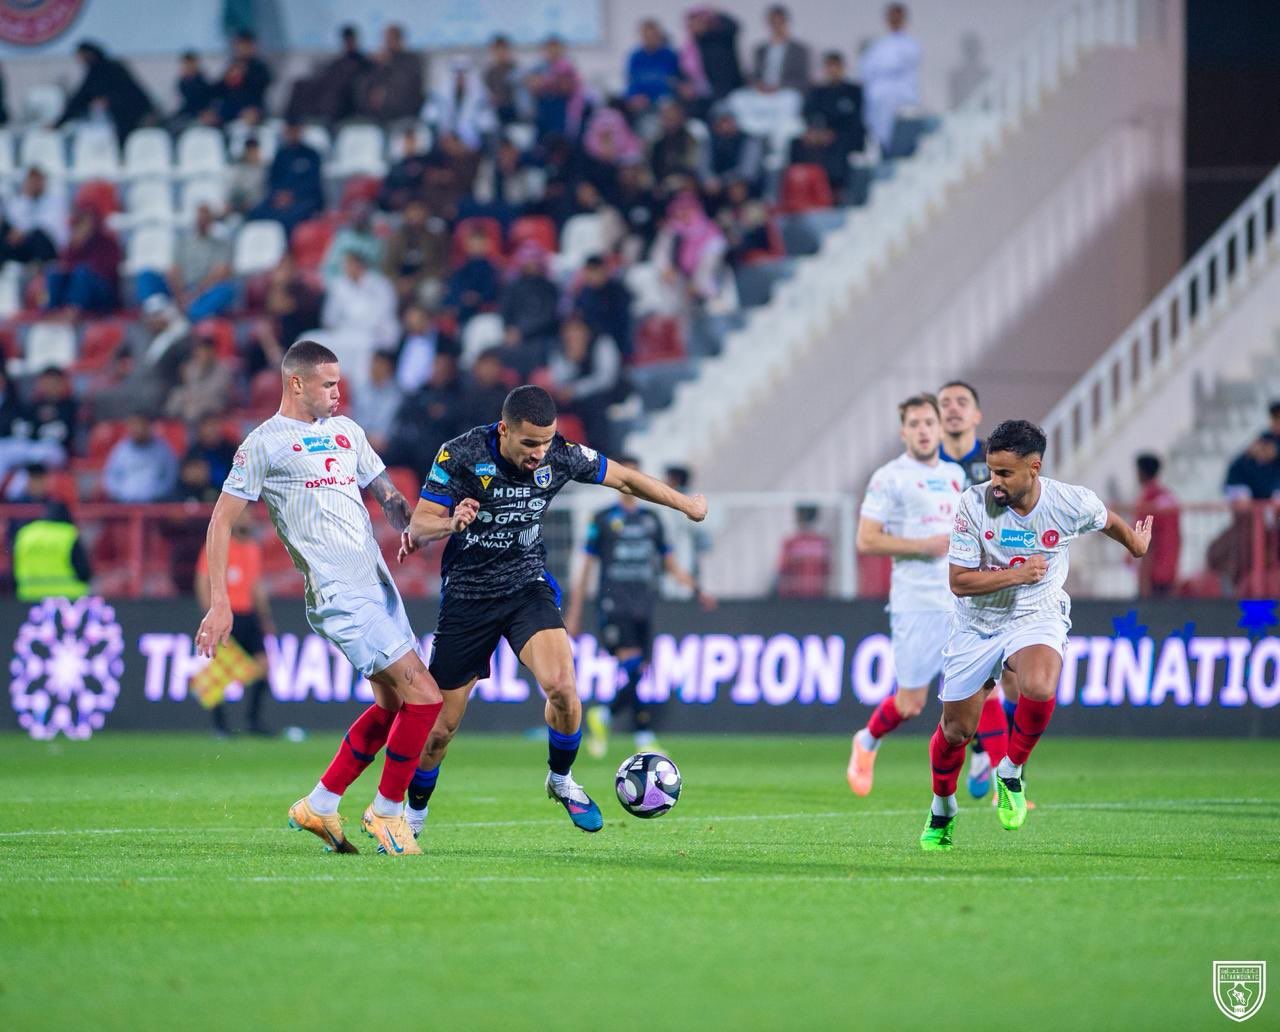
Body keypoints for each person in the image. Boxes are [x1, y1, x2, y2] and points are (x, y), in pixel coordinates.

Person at [396, 386, 709, 838]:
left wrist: (685, 504)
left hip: (527, 586)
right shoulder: (460, 454)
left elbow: (624, 478)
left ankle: (561, 779)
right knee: (441, 729)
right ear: (504, 430)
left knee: (563, 688)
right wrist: (451, 523)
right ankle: (414, 816)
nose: (540, 454)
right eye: (529, 444)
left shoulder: (561, 454)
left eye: (546, 442)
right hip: (468, 596)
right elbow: (419, 524)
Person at [196, 340, 448, 857]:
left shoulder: (347, 432)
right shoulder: (264, 444)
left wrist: (438, 524)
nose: (338, 392)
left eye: (339, 382)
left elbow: (393, 502)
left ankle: (321, 802)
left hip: (377, 585)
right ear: (296, 383)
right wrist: (220, 601)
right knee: (425, 694)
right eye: (328, 383)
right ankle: (387, 812)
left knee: (394, 703)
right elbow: (222, 519)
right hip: (337, 592)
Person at [920, 419, 1152, 850]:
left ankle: (1010, 770)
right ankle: (942, 807)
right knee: (955, 732)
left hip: (1036, 613)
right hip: (976, 623)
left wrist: (1135, 546)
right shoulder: (974, 505)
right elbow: (959, 581)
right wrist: (1016, 574)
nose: (995, 482)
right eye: (991, 471)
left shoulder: (1069, 502)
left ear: (1034, 468)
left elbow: (1107, 520)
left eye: (1005, 473)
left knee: (1040, 686)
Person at [849, 394, 985, 796]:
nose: (924, 430)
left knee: (981, 688)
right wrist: (923, 545)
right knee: (910, 704)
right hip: (916, 602)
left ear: (941, 429)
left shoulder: (955, 477)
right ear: (903, 431)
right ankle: (867, 741)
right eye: (916, 424)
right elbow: (866, 540)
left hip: (960, 599)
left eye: (930, 423)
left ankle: (992, 769)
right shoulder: (889, 477)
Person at [566, 454, 713, 758]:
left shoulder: (652, 519)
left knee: (639, 669)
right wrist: (575, 611)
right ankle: (634, 730)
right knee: (632, 665)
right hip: (614, 603)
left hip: (644, 604)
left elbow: (670, 563)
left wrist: (696, 588)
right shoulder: (603, 519)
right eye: (625, 474)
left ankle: (612, 719)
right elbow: (586, 568)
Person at [195, 511, 274, 736]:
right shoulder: (218, 545)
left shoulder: (252, 547)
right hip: (226, 617)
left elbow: (256, 586)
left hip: (248, 616)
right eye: (242, 515)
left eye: (249, 515)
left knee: (264, 667)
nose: (247, 519)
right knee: (218, 673)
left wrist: (265, 617)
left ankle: (253, 721)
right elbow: (202, 580)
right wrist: (210, 613)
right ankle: (219, 726)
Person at [56, 41, 155, 143]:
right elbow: (80, 100)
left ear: (89, 54)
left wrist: (109, 100)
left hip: (134, 113)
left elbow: (128, 93)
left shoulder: (110, 70)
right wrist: (59, 123)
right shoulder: (97, 72)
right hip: (122, 116)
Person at [860, 3, 921, 154]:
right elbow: (866, 70)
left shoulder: (911, 44)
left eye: (897, 17)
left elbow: (900, 66)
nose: (894, 20)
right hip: (877, 95)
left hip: (901, 92)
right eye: (891, 17)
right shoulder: (878, 45)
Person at [249, 121, 324, 235]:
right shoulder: (281, 154)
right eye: (289, 131)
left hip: (305, 199)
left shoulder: (312, 154)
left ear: (300, 131)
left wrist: (293, 195)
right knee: (255, 213)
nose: (292, 134)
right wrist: (278, 195)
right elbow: (272, 180)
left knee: (288, 219)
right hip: (280, 198)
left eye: (295, 130)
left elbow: (313, 183)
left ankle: (288, 250)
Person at [45, 206, 122, 315]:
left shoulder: (107, 242)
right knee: (54, 271)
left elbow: (107, 271)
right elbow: (65, 266)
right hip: (77, 287)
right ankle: (52, 310)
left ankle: (72, 311)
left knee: (82, 272)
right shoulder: (74, 243)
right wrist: (76, 247)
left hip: (103, 293)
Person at [13, 501, 91, 601]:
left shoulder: (25, 534)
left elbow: (14, 568)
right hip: (67, 601)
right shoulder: (68, 534)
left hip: (28, 598)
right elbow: (84, 573)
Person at [354, 23, 424, 123]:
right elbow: (367, 83)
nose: (386, 43)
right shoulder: (379, 62)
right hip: (377, 114)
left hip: (403, 112)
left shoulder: (411, 60)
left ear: (399, 40)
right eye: (385, 40)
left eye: (389, 39)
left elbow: (405, 84)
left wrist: (384, 96)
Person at [103, 413, 179, 503]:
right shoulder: (121, 449)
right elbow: (110, 478)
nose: (137, 429)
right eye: (133, 425)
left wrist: (155, 494)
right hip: (124, 505)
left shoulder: (163, 449)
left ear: (149, 426)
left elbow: (170, 477)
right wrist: (122, 494)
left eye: (140, 424)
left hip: (155, 505)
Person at [1134, 453, 1181, 598]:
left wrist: (1144, 578)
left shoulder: (1148, 500)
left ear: (1141, 472)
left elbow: (1144, 539)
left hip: (1153, 570)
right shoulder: (1169, 497)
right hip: (1170, 564)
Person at [1, 167, 68, 264]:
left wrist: (23, 230)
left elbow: (46, 224)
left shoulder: (55, 199)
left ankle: (39, 268)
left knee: (37, 235)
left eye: (37, 181)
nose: (34, 184)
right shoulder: (22, 200)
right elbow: (14, 220)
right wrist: (27, 197)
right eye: (31, 181)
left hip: (49, 247)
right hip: (26, 245)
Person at [804, 52, 864, 158]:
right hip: (821, 132)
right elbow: (809, 113)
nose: (832, 70)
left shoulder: (853, 91)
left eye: (836, 66)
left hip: (844, 134)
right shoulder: (818, 92)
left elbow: (854, 118)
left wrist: (833, 133)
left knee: (839, 145)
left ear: (842, 67)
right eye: (829, 66)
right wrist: (815, 131)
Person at [213, 30, 272, 124]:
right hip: (230, 110)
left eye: (246, 45)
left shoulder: (259, 66)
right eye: (240, 45)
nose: (242, 49)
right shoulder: (232, 65)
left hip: (253, 109)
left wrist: (245, 73)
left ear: (253, 47)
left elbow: (262, 86)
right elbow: (219, 90)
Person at [775, 504, 831, 597]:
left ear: (798, 517)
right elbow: (827, 571)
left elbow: (782, 569)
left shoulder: (791, 542)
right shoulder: (823, 542)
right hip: (818, 596)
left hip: (794, 598)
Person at [753, 4, 812, 92]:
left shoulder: (799, 50)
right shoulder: (760, 50)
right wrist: (759, 85)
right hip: (762, 91)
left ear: (786, 22)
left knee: (790, 100)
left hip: (785, 92)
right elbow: (755, 75)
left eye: (780, 22)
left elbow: (802, 79)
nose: (776, 26)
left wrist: (779, 86)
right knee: (737, 100)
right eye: (773, 23)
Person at [626, 19, 681, 110]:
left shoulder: (669, 55)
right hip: (642, 100)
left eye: (653, 35)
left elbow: (673, 81)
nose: (650, 39)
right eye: (646, 36)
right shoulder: (635, 57)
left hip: (664, 99)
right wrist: (636, 96)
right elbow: (632, 81)